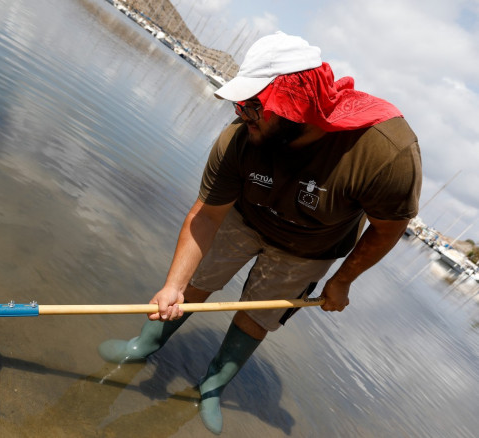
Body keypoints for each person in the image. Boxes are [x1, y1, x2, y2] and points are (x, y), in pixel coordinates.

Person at [98, 31, 422, 435]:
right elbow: (205, 217)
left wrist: (342, 281)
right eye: (241, 104)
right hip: (244, 217)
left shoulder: (386, 152)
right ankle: (144, 345)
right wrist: (171, 286)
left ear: (295, 106)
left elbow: (389, 229)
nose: (241, 114)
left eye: (254, 106)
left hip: (309, 246)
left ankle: (213, 385)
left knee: (258, 314)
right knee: (194, 284)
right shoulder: (240, 137)